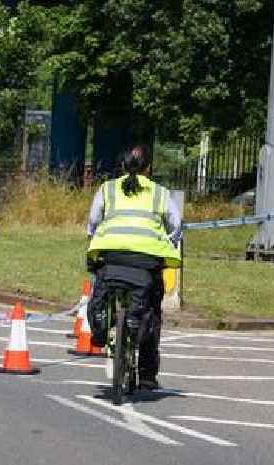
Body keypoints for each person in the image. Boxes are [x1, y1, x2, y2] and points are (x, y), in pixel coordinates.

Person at [85, 144, 182, 391]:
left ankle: (101, 327)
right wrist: (166, 241)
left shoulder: (107, 190)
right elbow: (176, 225)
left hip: (112, 256)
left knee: (102, 287)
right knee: (152, 309)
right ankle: (147, 374)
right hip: (147, 261)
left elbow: (93, 222)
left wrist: (97, 240)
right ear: (149, 168)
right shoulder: (160, 193)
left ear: (122, 166)